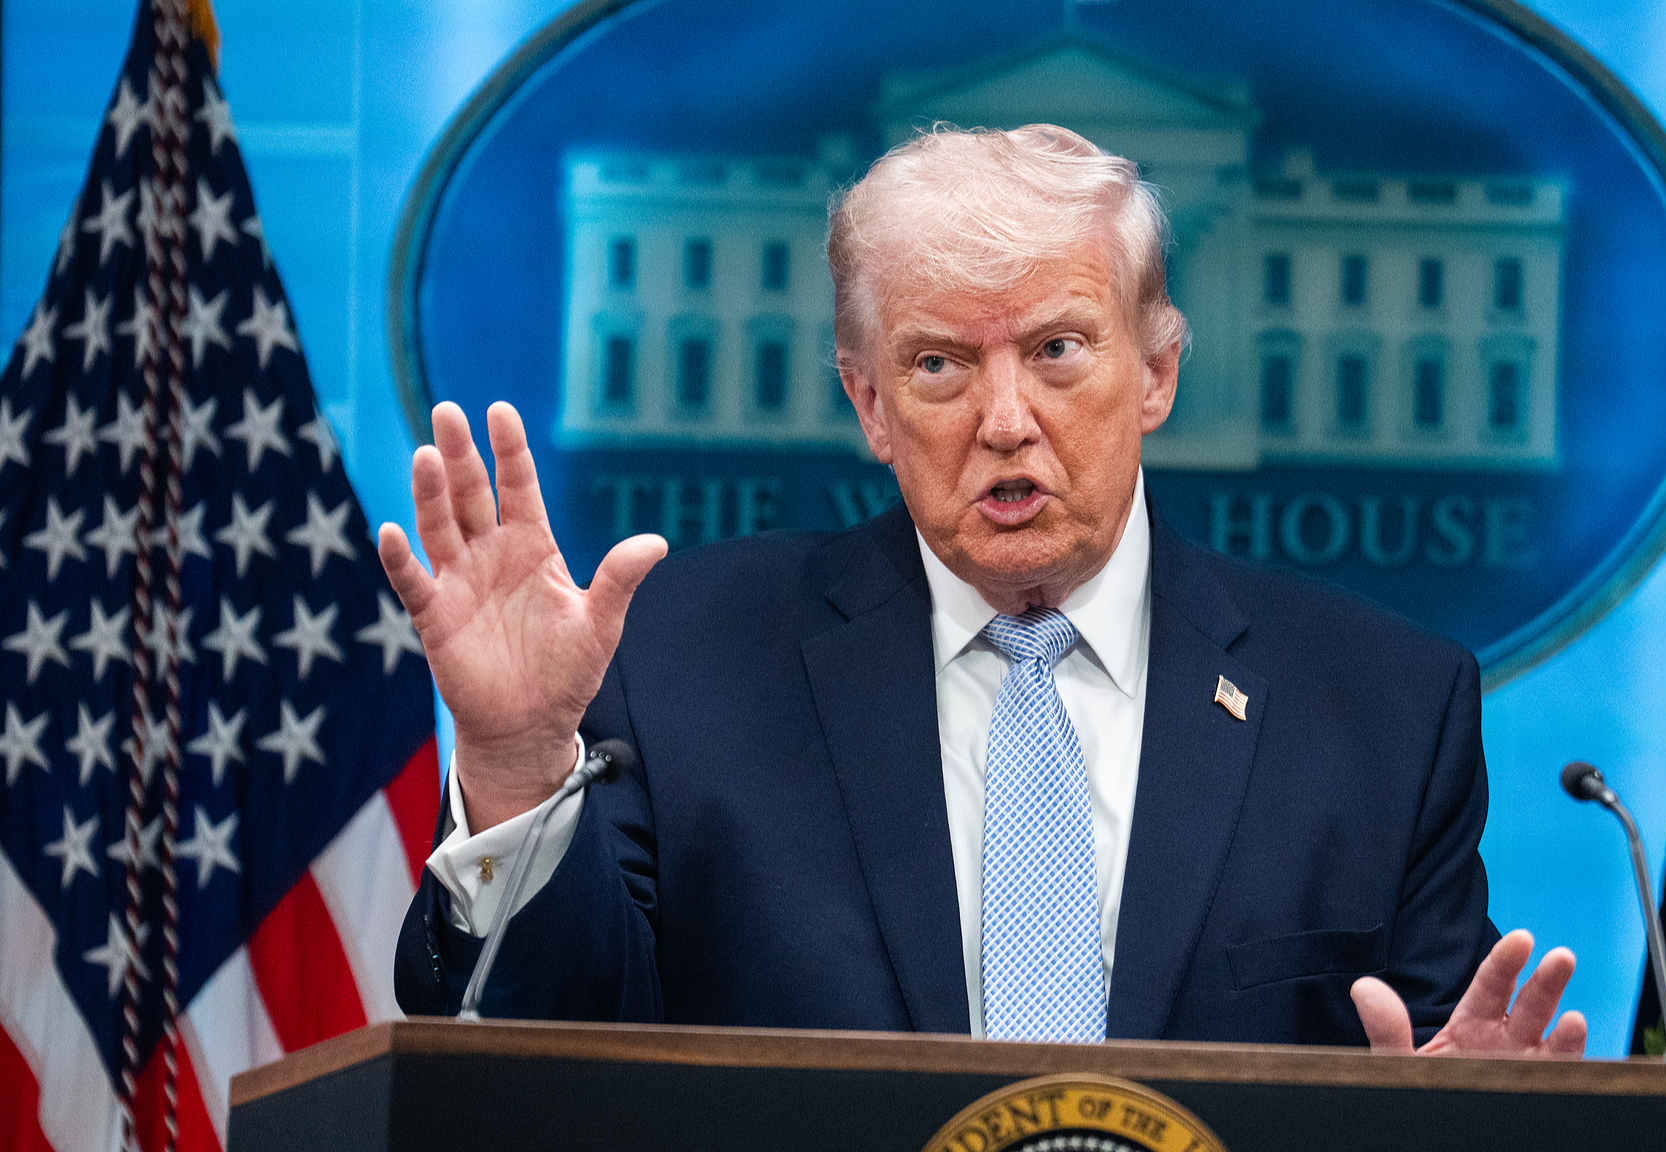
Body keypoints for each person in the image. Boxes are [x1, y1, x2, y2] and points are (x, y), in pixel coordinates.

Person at [378, 124, 1586, 1055]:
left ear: (1156, 373)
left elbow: (1431, 1059)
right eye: (939, 363)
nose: (1005, 421)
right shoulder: (682, 664)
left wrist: (1464, 1110)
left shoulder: (1381, 708)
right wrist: (518, 763)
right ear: (868, 406)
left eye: (1056, 350)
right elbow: (553, 1045)